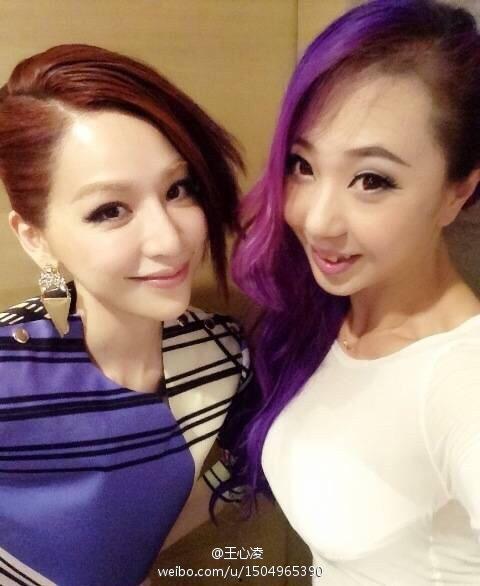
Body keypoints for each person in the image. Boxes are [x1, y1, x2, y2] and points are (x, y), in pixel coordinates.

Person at [232, 0, 480, 584]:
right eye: (302, 164)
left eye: (372, 179)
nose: (318, 221)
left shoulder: (461, 383)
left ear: (458, 191)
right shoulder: (329, 315)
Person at [0, 44, 250, 586]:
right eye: (110, 209)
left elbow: (251, 469)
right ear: (36, 238)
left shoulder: (224, 356)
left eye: (179, 189)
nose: (169, 240)